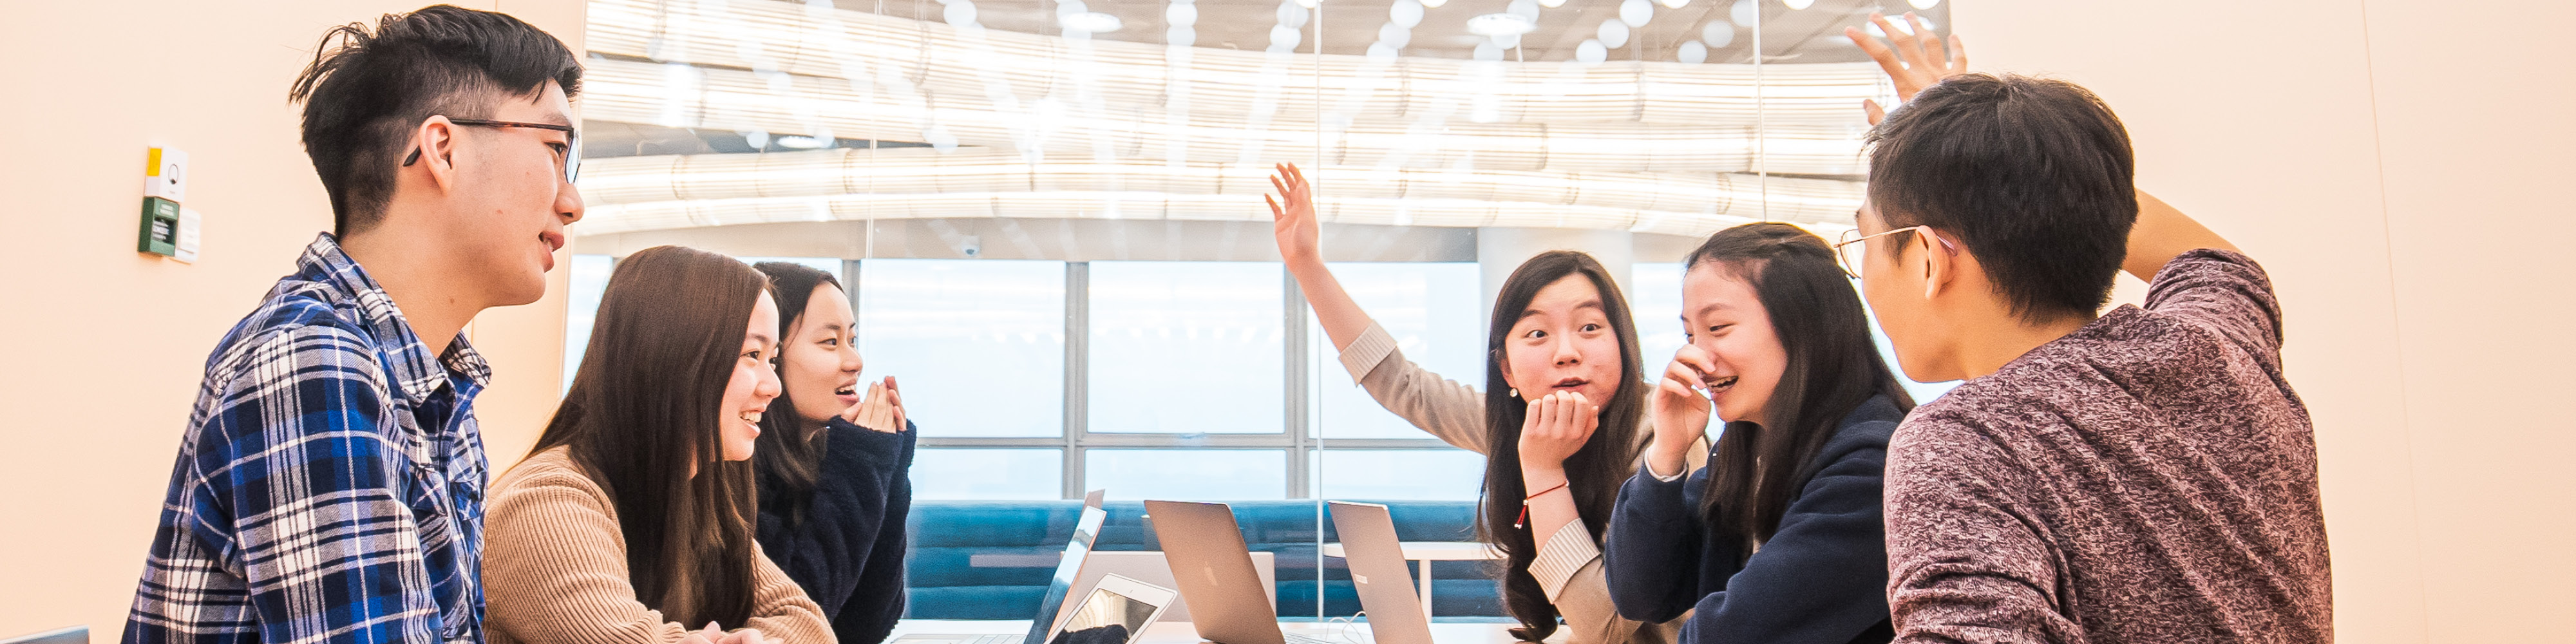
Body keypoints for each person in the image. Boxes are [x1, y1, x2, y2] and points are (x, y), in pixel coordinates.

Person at [1844, 14, 2331, 643]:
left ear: (1929, 258)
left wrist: (1975, 156)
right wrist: (1983, 154)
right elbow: (2214, 259)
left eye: (1863, 240)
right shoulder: (2220, 345)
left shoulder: (1962, 439)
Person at [122, 6, 583, 642]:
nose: (572, 200)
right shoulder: (313, 360)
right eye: (556, 150)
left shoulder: (430, 384)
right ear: (442, 150)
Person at [1267, 164, 1692, 644]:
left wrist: (1541, 467)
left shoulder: (1665, 438)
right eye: (1537, 334)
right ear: (1507, 369)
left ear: (1625, 345)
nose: (1566, 350)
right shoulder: (1516, 423)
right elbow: (1400, 383)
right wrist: (1307, 265)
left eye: (1590, 327)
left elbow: (1606, 626)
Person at [483, 246, 830, 644]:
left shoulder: (699, 492)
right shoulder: (546, 502)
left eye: (772, 359)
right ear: (676, 358)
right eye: (752, 354)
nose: (774, 387)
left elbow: (809, 623)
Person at [1601, 223, 1915, 644]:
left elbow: (1729, 634)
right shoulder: (1746, 452)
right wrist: (1667, 453)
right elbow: (1640, 595)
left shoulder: (1871, 467)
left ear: (1803, 328)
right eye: (1689, 334)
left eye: (1718, 328)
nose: (1695, 356)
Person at [748, 261, 918, 644]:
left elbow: (868, 624)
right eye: (830, 342)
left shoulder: (820, 461)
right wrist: (864, 462)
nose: (854, 362)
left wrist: (889, 469)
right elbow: (804, 619)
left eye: (852, 340)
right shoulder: (736, 471)